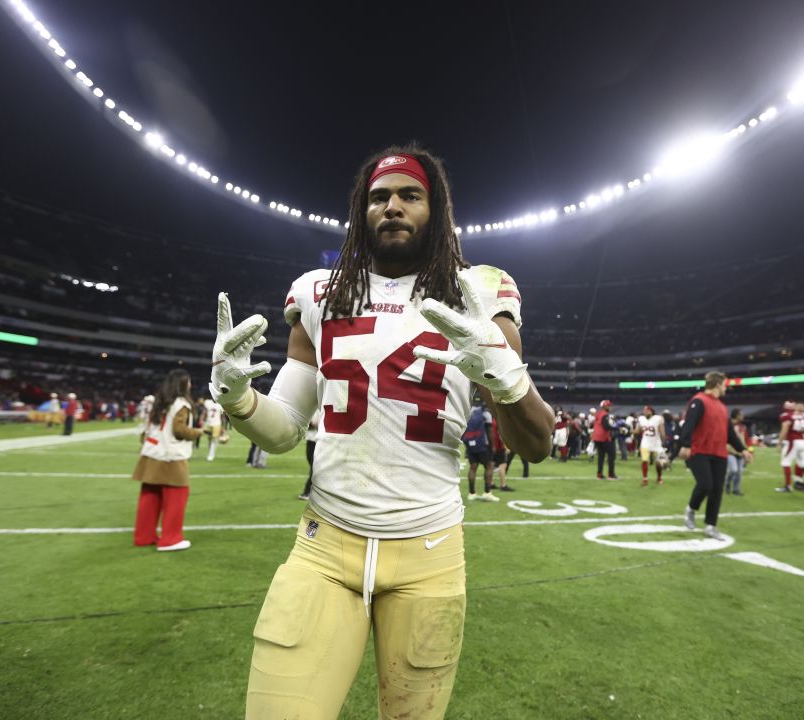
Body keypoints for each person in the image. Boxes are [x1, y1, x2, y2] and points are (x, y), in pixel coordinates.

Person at [208, 145, 554, 718]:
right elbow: (286, 430)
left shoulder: (478, 292)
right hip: (325, 548)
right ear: (360, 210)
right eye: (379, 197)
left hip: (430, 553)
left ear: (434, 208)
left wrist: (505, 376)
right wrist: (236, 397)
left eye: (409, 195)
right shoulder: (322, 291)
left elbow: (535, 445)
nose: (392, 206)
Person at [131, 369, 204, 552]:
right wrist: (199, 432)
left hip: (150, 452)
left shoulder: (159, 402)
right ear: (182, 384)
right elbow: (179, 430)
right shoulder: (181, 404)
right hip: (170, 455)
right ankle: (170, 539)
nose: (190, 385)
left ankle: (143, 536)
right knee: (177, 496)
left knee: (150, 496)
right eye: (188, 382)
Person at [678, 372, 754, 540]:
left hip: (719, 453)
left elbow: (730, 434)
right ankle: (691, 509)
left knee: (717, 490)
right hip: (700, 452)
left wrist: (743, 450)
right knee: (705, 484)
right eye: (724, 384)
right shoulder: (699, 401)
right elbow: (688, 424)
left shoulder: (722, 407)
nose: (726, 387)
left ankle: (711, 526)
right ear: (718, 384)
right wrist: (685, 445)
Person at [462, 401, 498, 501]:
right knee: (489, 466)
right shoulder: (485, 413)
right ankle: (487, 492)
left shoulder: (470, 411)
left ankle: (472, 493)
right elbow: (490, 431)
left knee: (473, 467)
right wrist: (493, 445)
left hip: (470, 444)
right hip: (483, 445)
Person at [636, 405, 666, 486]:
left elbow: (662, 432)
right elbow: (638, 431)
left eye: (647, 410)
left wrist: (664, 443)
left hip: (656, 443)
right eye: (644, 411)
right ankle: (645, 479)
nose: (645, 412)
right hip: (645, 442)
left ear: (651, 411)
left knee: (659, 462)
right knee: (644, 460)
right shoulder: (641, 419)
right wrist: (629, 431)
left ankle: (659, 477)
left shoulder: (658, 418)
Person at [724, 409, 751, 495]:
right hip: (730, 452)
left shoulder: (742, 427)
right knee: (734, 470)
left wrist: (746, 451)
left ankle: (736, 489)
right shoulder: (727, 425)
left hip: (740, 452)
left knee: (739, 472)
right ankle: (727, 484)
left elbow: (743, 441)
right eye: (741, 414)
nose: (743, 416)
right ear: (737, 415)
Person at [299, 409, 321, 501]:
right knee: (312, 465)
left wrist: (316, 424)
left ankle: (307, 492)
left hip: (318, 442)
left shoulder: (322, 409)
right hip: (310, 440)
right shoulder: (314, 408)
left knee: (314, 467)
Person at [592, 399, 617, 479]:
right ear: (604, 406)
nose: (610, 407)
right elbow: (606, 426)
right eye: (608, 405)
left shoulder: (598, 413)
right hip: (603, 437)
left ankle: (599, 474)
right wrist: (616, 428)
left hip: (596, 437)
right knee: (612, 455)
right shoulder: (605, 414)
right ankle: (611, 474)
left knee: (601, 456)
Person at [203, 396, 224, 461]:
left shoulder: (220, 405)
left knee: (214, 439)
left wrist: (223, 427)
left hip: (217, 424)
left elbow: (223, 417)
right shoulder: (208, 402)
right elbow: (205, 412)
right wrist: (202, 419)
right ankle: (211, 452)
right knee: (209, 439)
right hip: (208, 423)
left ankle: (211, 454)